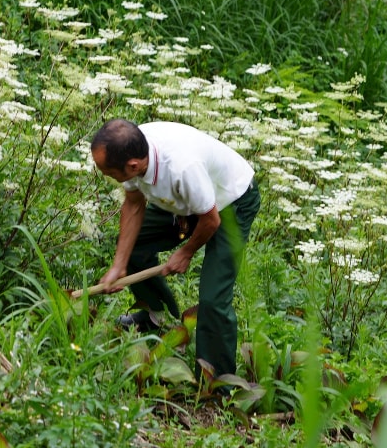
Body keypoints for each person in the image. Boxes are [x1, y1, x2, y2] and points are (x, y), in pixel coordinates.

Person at [90, 118, 260, 379]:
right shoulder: (133, 147)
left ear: (132, 166)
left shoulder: (181, 167)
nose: (109, 178)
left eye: (110, 174)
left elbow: (211, 220)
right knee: (134, 247)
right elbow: (134, 204)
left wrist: (186, 252)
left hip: (230, 202)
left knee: (214, 298)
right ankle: (155, 316)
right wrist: (119, 265)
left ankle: (216, 381)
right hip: (190, 202)